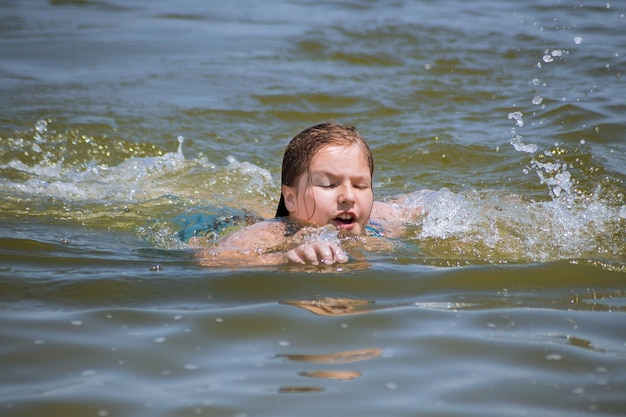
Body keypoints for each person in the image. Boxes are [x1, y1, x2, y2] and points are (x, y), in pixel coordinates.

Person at [192, 121, 418, 267]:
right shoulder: (273, 234)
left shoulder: (381, 225)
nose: (349, 197)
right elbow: (208, 259)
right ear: (290, 198)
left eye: (360, 186)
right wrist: (282, 258)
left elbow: (416, 207)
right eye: (329, 185)